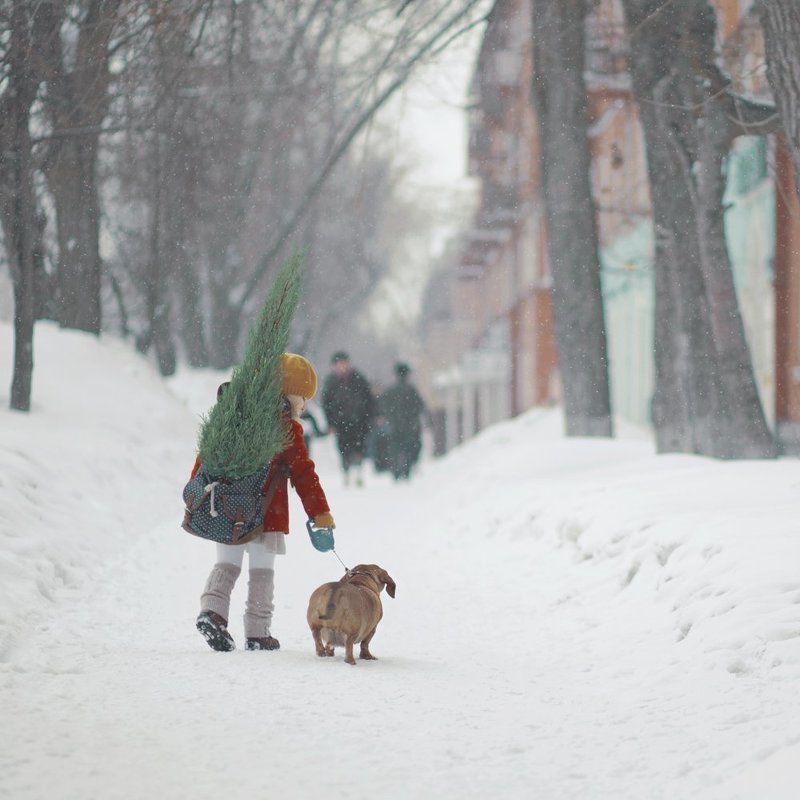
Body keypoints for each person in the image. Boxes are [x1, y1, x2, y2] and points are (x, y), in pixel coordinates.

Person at [194, 353, 335, 652]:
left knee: (226, 564)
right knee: (262, 572)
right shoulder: (286, 428)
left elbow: (208, 455)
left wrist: (198, 492)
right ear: (290, 395)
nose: (305, 405)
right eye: (303, 398)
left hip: (227, 508)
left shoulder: (231, 415)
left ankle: (213, 612)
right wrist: (320, 513)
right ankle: (258, 632)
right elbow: (303, 475)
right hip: (266, 512)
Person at [321, 351, 375, 486]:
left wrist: (370, 417)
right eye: (339, 364)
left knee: (359, 447)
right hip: (340, 422)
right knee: (343, 448)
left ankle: (359, 471)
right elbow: (326, 404)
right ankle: (346, 472)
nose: (342, 366)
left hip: (359, 420)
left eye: (344, 363)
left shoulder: (359, 378)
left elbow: (369, 399)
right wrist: (330, 423)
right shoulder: (331, 381)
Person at [379, 362, 426, 481]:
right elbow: (419, 406)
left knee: (394, 448)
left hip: (394, 425)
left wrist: (388, 417)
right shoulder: (411, 390)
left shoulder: (390, 390)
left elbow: (383, 407)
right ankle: (406, 470)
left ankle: (395, 470)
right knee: (408, 448)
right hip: (409, 426)